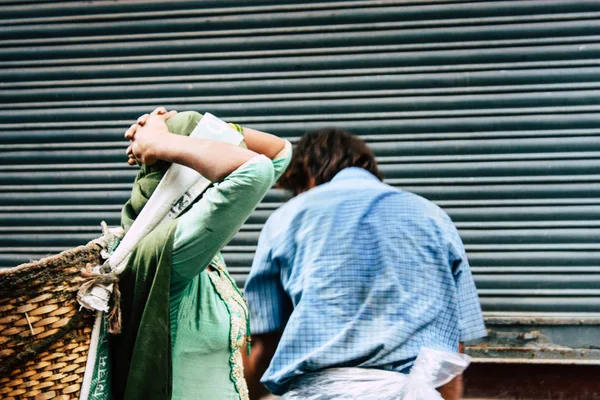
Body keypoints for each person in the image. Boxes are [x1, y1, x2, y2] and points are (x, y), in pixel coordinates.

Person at [242, 128, 487, 399]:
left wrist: (246, 393)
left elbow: (264, 338)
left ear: (307, 175)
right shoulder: (433, 216)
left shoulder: (287, 218)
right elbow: (453, 348)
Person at [110, 107, 291, 400]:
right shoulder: (169, 255)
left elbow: (282, 152)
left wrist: (201, 125)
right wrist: (158, 143)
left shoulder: (203, 254)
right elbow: (256, 170)